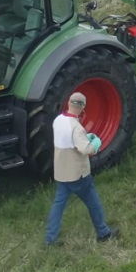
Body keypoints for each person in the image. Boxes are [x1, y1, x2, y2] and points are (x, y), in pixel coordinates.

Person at [44, 91, 118, 246]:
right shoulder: (76, 127)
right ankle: (103, 232)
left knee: (58, 205)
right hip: (78, 174)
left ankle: (50, 239)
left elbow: (68, 140)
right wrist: (95, 143)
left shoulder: (58, 120)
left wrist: (84, 137)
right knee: (93, 202)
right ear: (82, 108)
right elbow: (86, 150)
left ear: (69, 104)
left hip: (61, 172)